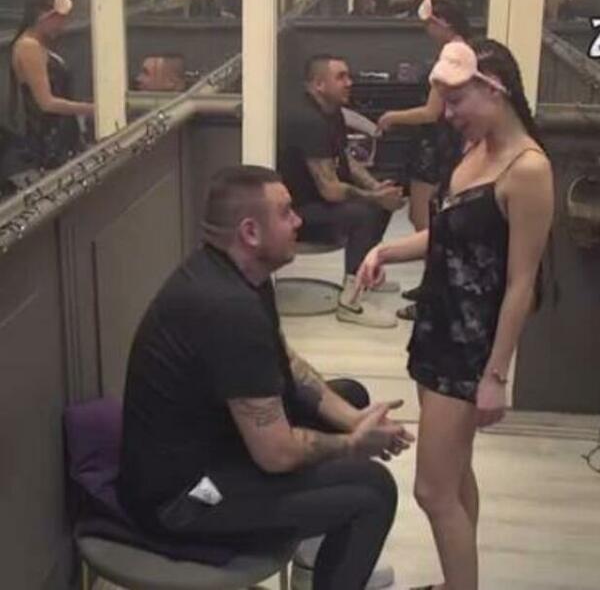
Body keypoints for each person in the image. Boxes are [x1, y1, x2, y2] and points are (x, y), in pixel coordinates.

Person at [118, 165, 415, 590]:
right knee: (373, 491)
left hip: (217, 449)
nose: (299, 221)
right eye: (286, 212)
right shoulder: (227, 308)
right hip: (184, 501)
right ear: (251, 232)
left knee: (349, 395)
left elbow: (286, 363)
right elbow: (275, 454)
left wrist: (353, 419)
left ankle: (317, 563)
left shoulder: (239, 274)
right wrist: (354, 444)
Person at [355, 39, 554, 590]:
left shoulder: (528, 169)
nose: (447, 114)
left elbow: (521, 283)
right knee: (456, 473)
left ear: (494, 91)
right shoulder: (474, 149)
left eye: (456, 100)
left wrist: (496, 375)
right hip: (436, 326)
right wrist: (386, 251)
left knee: (432, 491)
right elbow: (447, 233)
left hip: (469, 349)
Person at [279, 54, 406, 329]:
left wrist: (376, 187)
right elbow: (331, 191)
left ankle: (366, 275)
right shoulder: (308, 121)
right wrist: (374, 197)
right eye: (341, 77)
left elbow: (346, 160)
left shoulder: (332, 112)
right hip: (296, 214)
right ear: (318, 84)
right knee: (364, 213)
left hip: (317, 203)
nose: (349, 83)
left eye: (348, 76)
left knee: (382, 201)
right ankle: (350, 303)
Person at [377, 0, 469, 319]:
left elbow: (432, 112)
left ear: (443, 23)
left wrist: (393, 117)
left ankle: (433, 296)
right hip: (442, 143)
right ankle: (431, 285)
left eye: (429, 24)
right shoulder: (463, 50)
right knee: (428, 219)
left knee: (424, 221)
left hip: (435, 144)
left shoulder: (452, 54)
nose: (427, 31)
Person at [7, 0, 93, 173]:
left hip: (58, 137)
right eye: (60, 19)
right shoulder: (28, 48)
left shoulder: (38, 46)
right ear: (45, 16)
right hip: (49, 143)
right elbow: (46, 103)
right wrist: (90, 109)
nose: (63, 26)